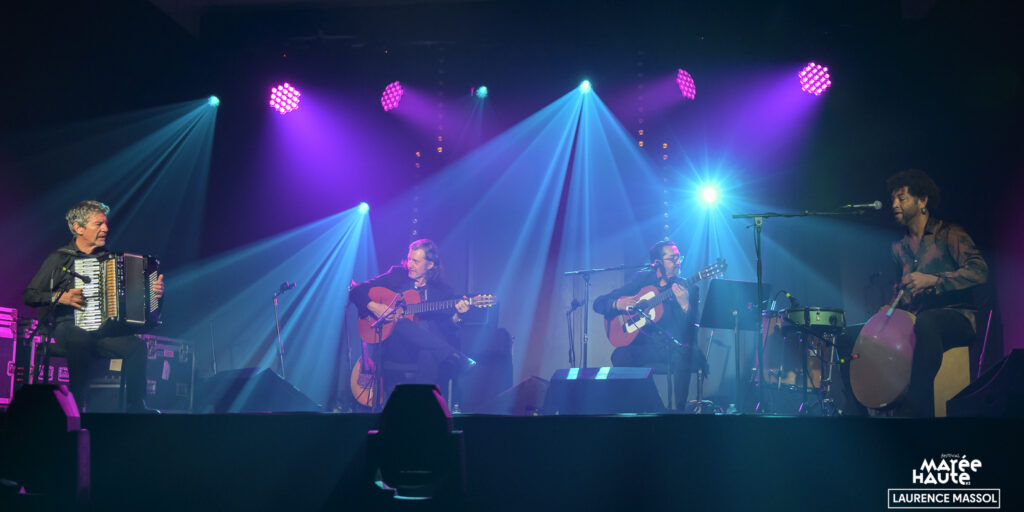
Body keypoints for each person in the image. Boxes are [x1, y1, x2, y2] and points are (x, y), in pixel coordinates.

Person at [22, 200, 164, 413]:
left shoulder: (108, 260)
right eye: (98, 224)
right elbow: (29, 295)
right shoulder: (60, 258)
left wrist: (153, 293)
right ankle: (77, 408)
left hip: (99, 331)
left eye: (105, 224)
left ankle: (137, 406)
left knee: (136, 347)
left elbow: (129, 302)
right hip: (63, 328)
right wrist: (61, 297)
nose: (105, 229)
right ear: (78, 228)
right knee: (80, 336)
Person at [881, 169, 988, 417]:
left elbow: (980, 271)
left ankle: (917, 412)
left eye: (901, 198)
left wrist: (934, 280)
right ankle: (860, 417)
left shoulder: (950, 233)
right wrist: (890, 308)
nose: (894, 204)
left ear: (922, 201)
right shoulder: (898, 248)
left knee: (926, 322)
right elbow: (902, 292)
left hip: (958, 318)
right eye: (893, 199)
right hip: (918, 322)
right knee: (856, 335)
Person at [349, 239, 475, 395]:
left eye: (415, 261)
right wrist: (374, 306)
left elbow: (445, 327)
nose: (410, 264)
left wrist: (458, 315)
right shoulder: (397, 276)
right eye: (409, 259)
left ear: (430, 265)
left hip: (425, 350)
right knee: (401, 320)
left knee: (428, 337)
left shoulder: (443, 292)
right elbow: (356, 291)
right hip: (398, 348)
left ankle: (421, 402)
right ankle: (454, 356)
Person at [593, 240, 701, 410]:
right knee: (620, 355)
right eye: (672, 258)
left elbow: (690, 331)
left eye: (679, 258)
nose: (678, 262)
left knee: (683, 353)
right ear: (657, 263)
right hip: (646, 346)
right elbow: (599, 303)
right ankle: (650, 407)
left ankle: (679, 412)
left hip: (672, 346)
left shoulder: (689, 288)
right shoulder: (642, 279)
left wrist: (685, 306)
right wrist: (617, 304)